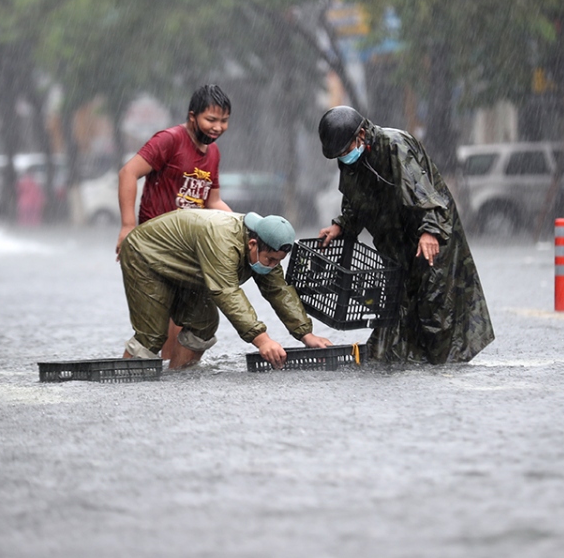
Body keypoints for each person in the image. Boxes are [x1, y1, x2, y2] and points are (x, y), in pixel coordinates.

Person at [316, 106, 494, 364]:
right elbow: (356, 199)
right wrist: (341, 225)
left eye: (346, 150)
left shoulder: (394, 146)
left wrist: (430, 230)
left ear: (361, 135)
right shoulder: (352, 160)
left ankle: (439, 365)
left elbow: (423, 192)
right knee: (397, 302)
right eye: (339, 154)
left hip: (429, 236)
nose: (344, 157)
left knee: (434, 305)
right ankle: (398, 359)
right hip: (395, 241)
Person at [120, 209, 333, 369]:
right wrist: (262, 340)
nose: (271, 265)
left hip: (189, 267)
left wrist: (306, 334)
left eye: (278, 261)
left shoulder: (267, 246)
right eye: (269, 259)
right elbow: (227, 292)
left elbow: (279, 290)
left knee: (202, 325)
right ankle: (125, 388)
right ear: (252, 244)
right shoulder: (223, 241)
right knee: (151, 335)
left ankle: (177, 380)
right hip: (146, 255)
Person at [116, 84, 234, 367]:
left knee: (198, 323)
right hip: (156, 247)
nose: (218, 127)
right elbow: (128, 173)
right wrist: (127, 226)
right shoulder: (169, 139)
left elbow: (213, 201)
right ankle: (137, 381)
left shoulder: (213, 153)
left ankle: (177, 379)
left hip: (190, 250)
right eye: (211, 119)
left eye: (224, 121)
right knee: (156, 330)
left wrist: (243, 226)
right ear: (192, 116)